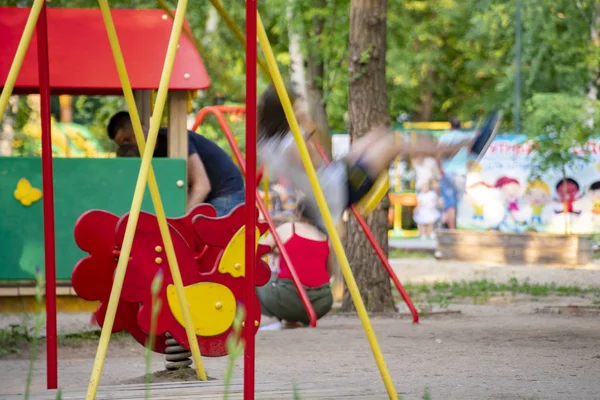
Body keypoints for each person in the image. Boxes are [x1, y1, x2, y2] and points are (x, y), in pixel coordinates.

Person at [256, 85, 487, 230]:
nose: (300, 111)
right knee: (394, 143)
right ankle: (457, 147)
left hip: (336, 174)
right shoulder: (291, 145)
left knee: (380, 134)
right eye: (296, 108)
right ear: (284, 112)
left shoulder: (267, 143)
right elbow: (316, 160)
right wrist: (306, 126)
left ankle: (451, 149)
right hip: (340, 190)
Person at [107, 111, 245, 216]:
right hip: (208, 196)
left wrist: (181, 219)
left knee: (209, 244)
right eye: (121, 145)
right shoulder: (149, 154)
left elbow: (202, 186)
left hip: (226, 192)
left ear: (141, 128)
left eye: (127, 139)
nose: (127, 146)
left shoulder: (175, 140)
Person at [256, 197, 335, 330]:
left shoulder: (288, 228)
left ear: (298, 213)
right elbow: (329, 272)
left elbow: (256, 251)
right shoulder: (325, 237)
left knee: (256, 278)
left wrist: (272, 250)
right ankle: (295, 319)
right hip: (322, 302)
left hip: (288, 298)